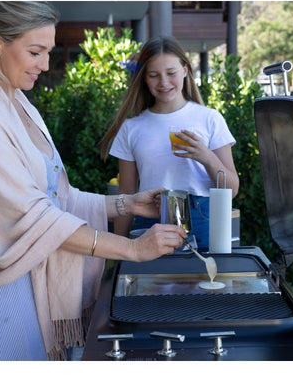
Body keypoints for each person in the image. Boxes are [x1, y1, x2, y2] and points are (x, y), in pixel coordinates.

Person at [0, 2, 185, 361]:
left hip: (31, 291)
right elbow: (39, 218)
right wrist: (130, 249)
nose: (45, 65)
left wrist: (124, 204)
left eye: (48, 52)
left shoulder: (19, 105)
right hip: (0, 302)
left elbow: (57, 196)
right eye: (35, 52)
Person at [101, 36, 239, 249]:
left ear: (185, 70)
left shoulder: (210, 119)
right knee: (152, 283)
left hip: (204, 221)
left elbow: (232, 190)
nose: (163, 83)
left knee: (206, 282)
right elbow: (126, 196)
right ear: (144, 78)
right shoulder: (132, 128)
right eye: (154, 75)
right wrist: (119, 252)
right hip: (150, 222)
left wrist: (207, 157)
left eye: (171, 73)